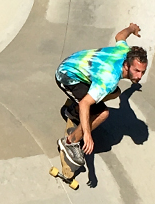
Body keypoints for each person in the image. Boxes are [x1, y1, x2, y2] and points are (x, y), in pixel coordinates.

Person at [55, 23, 147, 168]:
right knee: (103, 113)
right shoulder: (109, 78)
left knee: (116, 93)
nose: (140, 76)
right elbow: (85, 103)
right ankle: (70, 142)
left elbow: (120, 36)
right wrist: (87, 135)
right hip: (67, 76)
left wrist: (131, 28)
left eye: (142, 72)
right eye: (137, 71)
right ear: (127, 66)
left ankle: (74, 111)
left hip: (78, 63)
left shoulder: (125, 51)